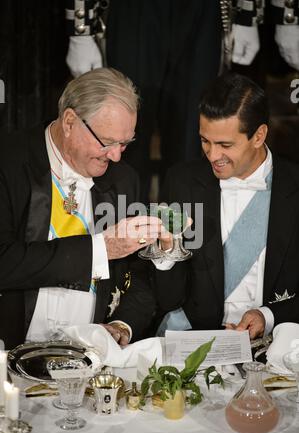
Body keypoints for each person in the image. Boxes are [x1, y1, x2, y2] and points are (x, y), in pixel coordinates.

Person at [65, 1, 299, 201]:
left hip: (201, 9)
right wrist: (80, 26)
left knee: (194, 138)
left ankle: (183, 240)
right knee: (122, 138)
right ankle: (123, 238)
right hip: (134, 9)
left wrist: (248, 14)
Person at [0, 67, 162, 349]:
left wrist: (122, 324)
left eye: (125, 143)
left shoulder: (124, 179)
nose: (115, 155)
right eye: (107, 142)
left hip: (91, 361)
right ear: (70, 121)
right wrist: (101, 250)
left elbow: (139, 275)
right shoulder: (8, 161)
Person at [154, 72, 299, 339]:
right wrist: (165, 253)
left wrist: (267, 316)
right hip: (196, 340)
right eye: (204, 141)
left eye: (225, 145)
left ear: (258, 136)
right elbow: (167, 296)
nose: (212, 155)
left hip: (278, 344)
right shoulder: (182, 181)